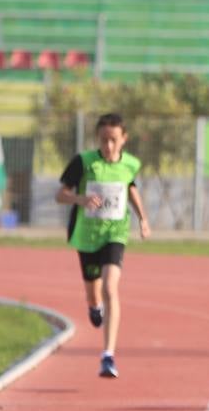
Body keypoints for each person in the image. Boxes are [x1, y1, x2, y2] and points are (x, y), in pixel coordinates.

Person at [55, 113, 150, 379]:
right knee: (94, 295)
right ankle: (93, 306)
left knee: (111, 288)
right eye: (104, 140)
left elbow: (130, 189)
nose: (109, 146)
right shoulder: (84, 163)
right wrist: (81, 199)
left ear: (124, 139)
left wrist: (143, 219)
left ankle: (108, 355)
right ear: (97, 138)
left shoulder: (129, 164)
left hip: (115, 233)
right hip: (87, 236)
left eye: (114, 140)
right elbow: (60, 195)